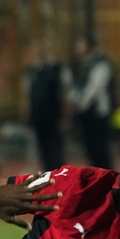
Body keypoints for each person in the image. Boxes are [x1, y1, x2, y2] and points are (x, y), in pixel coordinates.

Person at [71, 37, 115, 170]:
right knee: (91, 148)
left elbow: (94, 88)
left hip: (98, 112)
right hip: (88, 113)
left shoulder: (101, 63)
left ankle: (105, 178)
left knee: (100, 149)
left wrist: (80, 104)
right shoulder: (86, 63)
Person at [27, 38, 70, 170]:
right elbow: (31, 95)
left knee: (56, 150)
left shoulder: (58, 70)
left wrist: (64, 117)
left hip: (54, 117)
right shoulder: (35, 71)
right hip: (40, 118)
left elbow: (65, 92)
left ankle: (60, 177)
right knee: (44, 151)